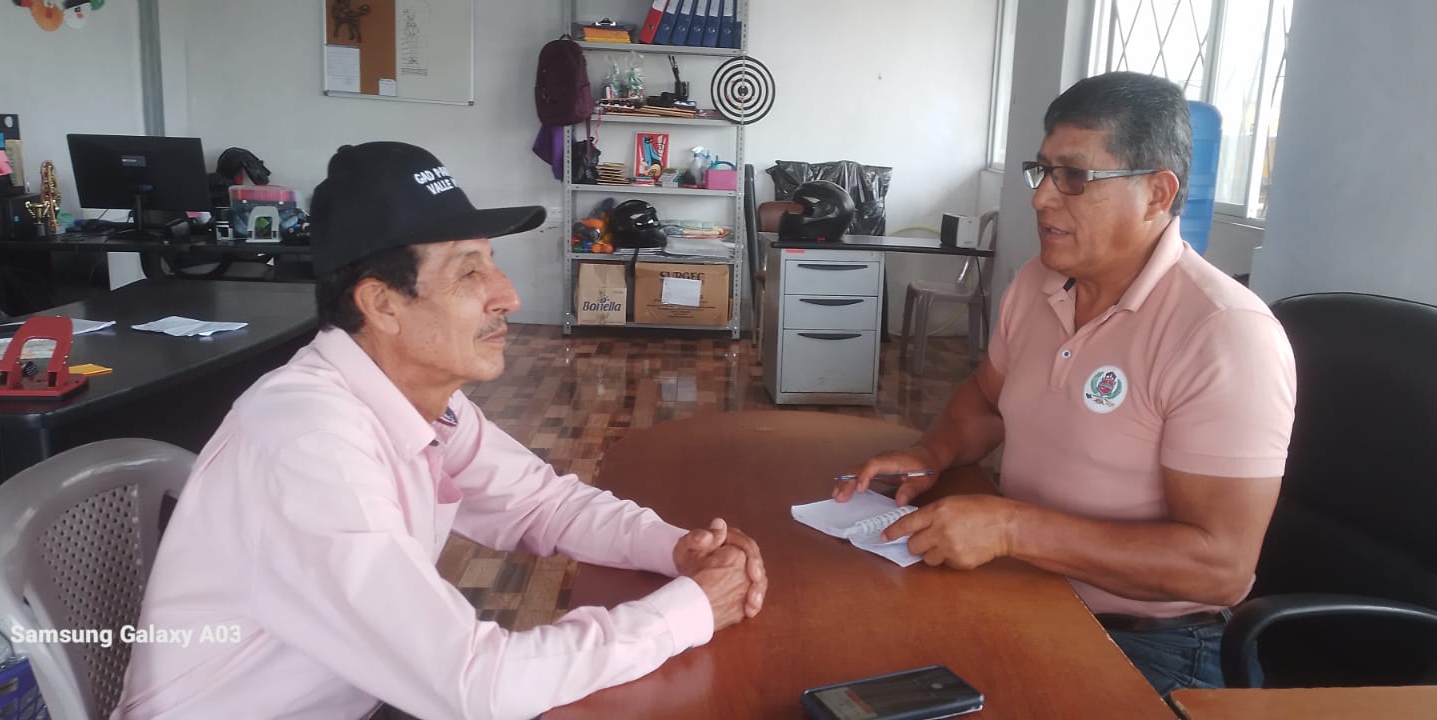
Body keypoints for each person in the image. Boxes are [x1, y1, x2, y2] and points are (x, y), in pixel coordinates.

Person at [113, 142, 767, 719]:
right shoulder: (309, 444)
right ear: (382, 304)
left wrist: (678, 549)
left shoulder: (415, 398)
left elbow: (542, 502)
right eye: (469, 271)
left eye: (491, 262)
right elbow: (476, 686)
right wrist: (689, 610)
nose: (507, 295)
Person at [835, 72, 1296, 695]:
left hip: (1151, 644)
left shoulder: (1223, 333)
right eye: (1044, 171)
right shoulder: (1038, 283)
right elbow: (987, 399)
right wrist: (930, 453)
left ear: (1157, 193)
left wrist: (1010, 530)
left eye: (1075, 177)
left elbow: (1219, 568)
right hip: (1028, 587)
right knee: (847, 657)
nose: (1042, 199)